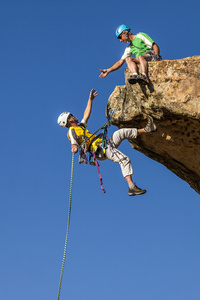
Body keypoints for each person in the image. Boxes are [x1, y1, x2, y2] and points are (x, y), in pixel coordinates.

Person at [57, 89, 157, 196]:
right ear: (69, 120)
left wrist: (90, 99)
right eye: (71, 115)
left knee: (120, 133)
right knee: (124, 159)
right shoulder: (72, 131)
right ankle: (131, 187)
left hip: (105, 144)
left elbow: (86, 114)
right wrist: (74, 148)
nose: (73, 115)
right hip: (100, 150)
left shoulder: (80, 127)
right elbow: (73, 142)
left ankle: (147, 129)